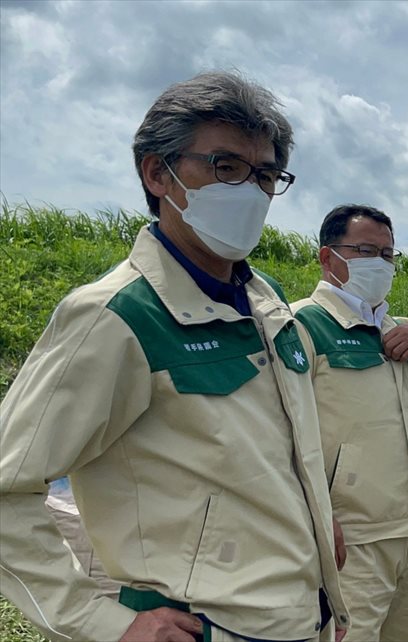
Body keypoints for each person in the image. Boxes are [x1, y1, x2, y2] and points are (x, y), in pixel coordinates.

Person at [0, 71, 349, 641]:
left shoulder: (267, 302)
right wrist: (104, 624)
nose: (250, 191)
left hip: (299, 616)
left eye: (264, 174)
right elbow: (7, 489)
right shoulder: (113, 317)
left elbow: (268, 452)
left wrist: (315, 524)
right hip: (206, 626)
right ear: (157, 172)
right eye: (225, 167)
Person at [290, 204, 408, 641]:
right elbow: (281, 432)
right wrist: (317, 517)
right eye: (364, 250)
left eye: (387, 254)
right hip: (351, 538)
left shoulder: (401, 330)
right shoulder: (303, 325)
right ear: (328, 258)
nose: (379, 263)